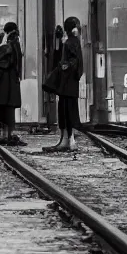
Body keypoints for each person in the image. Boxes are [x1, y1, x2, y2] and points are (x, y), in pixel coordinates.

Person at [45, 17, 84, 152]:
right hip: (70, 84)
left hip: (67, 84)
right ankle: (68, 140)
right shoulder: (73, 42)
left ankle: (67, 140)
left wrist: (65, 67)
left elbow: (69, 61)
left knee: (65, 110)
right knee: (68, 110)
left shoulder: (70, 43)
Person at [0, 22, 25, 146]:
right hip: (11, 81)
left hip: (4, 81)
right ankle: (8, 134)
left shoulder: (8, 44)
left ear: (6, 31)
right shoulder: (16, 43)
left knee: (3, 107)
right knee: (8, 109)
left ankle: (6, 134)